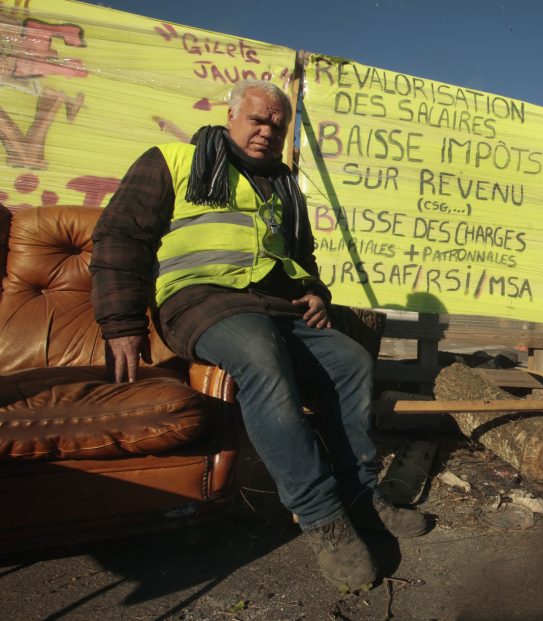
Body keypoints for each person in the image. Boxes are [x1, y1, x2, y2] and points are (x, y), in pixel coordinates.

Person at [90, 79, 430, 590]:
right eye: (257, 119)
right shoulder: (171, 160)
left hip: (276, 307)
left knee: (351, 361)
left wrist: (316, 291)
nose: (268, 130)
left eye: (278, 123)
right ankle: (323, 519)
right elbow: (120, 234)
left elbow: (304, 259)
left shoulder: (283, 185)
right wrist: (121, 324)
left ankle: (361, 499)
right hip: (197, 302)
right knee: (260, 356)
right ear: (230, 116)